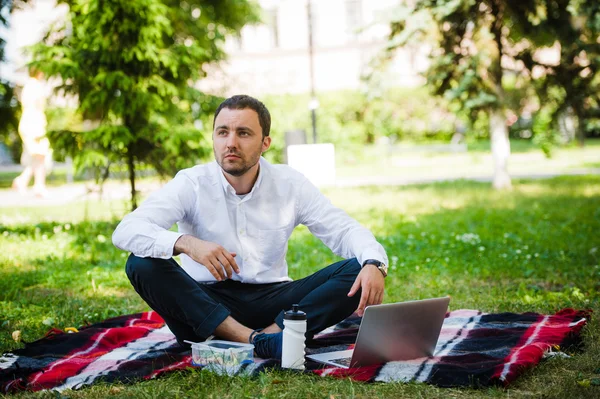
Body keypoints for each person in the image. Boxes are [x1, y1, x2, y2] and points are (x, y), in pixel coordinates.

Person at [112, 95, 389, 359]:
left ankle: (270, 336)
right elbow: (127, 230)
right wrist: (186, 243)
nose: (231, 143)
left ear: (265, 142)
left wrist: (374, 262)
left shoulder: (289, 183)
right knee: (141, 263)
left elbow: (343, 229)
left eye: (243, 133)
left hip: (273, 302)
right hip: (203, 307)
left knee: (358, 267)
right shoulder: (192, 183)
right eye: (222, 132)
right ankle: (256, 341)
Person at [12, 69, 52, 197]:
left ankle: (24, 182)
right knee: (40, 156)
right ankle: (38, 186)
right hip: (34, 124)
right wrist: (37, 129)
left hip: (31, 123)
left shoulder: (29, 85)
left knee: (38, 157)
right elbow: (35, 106)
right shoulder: (35, 86)